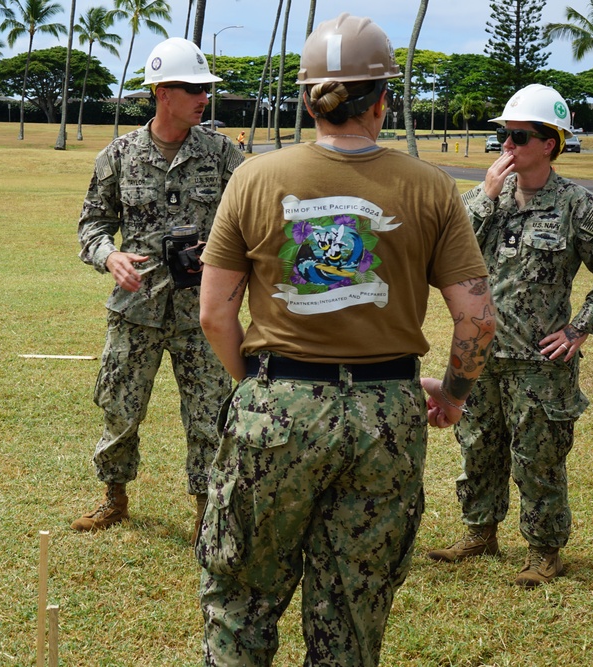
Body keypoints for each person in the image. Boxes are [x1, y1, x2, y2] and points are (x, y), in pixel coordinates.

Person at [195, 14, 496, 665]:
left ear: (308, 99)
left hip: (278, 407)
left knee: (242, 603)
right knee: (351, 617)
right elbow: (477, 319)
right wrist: (455, 392)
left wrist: (257, 385)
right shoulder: (431, 188)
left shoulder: (254, 177)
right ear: (384, 97)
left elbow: (215, 311)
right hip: (386, 412)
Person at [428, 84, 593, 587]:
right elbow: (443, 256)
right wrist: (486, 196)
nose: (508, 145)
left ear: (550, 142)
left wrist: (579, 328)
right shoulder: (484, 201)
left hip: (540, 365)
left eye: (521, 136)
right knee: (476, 446)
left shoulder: (577, 207)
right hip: (480, 357)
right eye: (504, 134)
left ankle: (544, 551)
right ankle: (480, 532)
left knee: (538, 459)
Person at [73, 37, 245, 534]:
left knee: (210, 414)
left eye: (205, 88)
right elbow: (92, 225)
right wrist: (111, 257)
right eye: (191, 88)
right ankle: (114, 497)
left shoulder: (221, 154)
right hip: (136, 309)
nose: (203, 97)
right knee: (120, 408)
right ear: (161, 92)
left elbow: (258, 208)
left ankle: (205, 512)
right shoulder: (120, 155)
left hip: (204, 313)